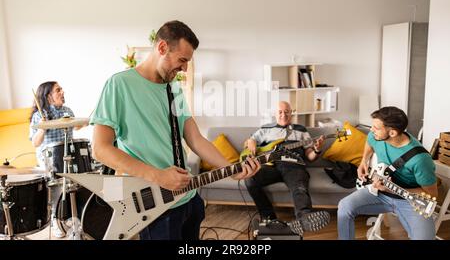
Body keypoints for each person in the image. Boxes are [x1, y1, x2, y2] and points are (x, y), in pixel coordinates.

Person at [90, 20, 260, 240]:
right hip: (156, 206)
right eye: (182, 60)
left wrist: (232, 169)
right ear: (162, 48)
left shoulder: (174, 89)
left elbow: (196, 139)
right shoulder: (119, 85)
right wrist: (158, 176)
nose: (185, 68)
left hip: (189, 200)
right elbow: (100, 149)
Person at [337, 106, 437, 240]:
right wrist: (363, 162)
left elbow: (431, 195)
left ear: (392, 133)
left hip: (409, 201)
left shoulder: (420, 159)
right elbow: (370, 141)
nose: (371, 130)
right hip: (380, 194)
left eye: (376, 128)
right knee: (345, 206)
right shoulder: (376, 136)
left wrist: (392, 190)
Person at [244, 101, 331, 232]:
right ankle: (269, 219)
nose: (283, 115)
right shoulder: (266, 129)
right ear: (275, 114)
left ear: (291, 113)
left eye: (286, 112)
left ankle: (304, 218)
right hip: (271, 167)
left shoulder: (301, 130)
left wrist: (317, 150)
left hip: (293, 165)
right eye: (280, 112)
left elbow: (310, 156)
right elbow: (249, 141)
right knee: (250, 179)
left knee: (299, 188)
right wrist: (251, 140)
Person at [29, 81, 74, 238]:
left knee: (73, 185)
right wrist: (42, 127)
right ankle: (55, 219)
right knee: (56, 188)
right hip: (48, 158)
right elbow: (35, 142)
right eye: (58, 90)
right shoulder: (39, 116)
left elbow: (78, 125)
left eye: (61, 89)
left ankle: (70, 216)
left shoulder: (67, 111)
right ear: (48, 96)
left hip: (67, 154)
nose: (62, 92)